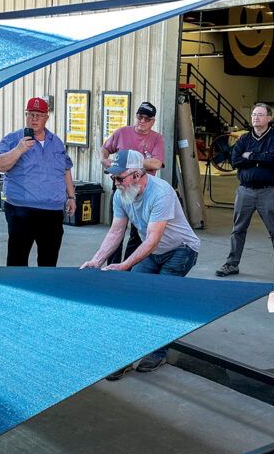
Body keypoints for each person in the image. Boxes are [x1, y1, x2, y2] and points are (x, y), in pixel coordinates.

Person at [81, 150, 201, 379]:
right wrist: (96, 261)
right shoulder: (121, 195)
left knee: (159, 299)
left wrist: (125, 265)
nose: (116, 183)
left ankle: (158, 353)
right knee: (132, 297)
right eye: (113, 178)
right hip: (153, 250)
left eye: (120, 178)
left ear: (138, 174)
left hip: (180, 249)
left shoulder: (161, 193)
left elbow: (153, 239)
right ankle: (124, 356)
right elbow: (116, 231)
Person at [0, 97, 77, 267]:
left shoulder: (56, 142)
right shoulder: (13, 139)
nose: (34, 119)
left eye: (39, 115)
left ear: (46, 117)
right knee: (17, 260)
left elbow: (66, 169)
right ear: (26, 115)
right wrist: (19, 149)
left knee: (49, 261)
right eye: (31, 114)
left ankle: (44, 292)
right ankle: (16, 292)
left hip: (52, 212)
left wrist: (72, 197)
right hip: (21, 210)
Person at [215, 103, 274, 284]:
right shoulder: (243, 139)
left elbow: (272, 158)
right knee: (238, 229)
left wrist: (249, 156)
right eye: (254, 115)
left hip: (268, 192)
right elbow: (234, 160)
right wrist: (258, 159)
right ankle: (232, 264)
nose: (256, 118)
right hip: (245, 191)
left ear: (269, 118)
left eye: (260, 115)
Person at [100, 101, 166, 264]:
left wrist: (127, 162)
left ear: (153, 121)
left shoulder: (157, 138)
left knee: (138, 233)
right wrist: (104, 159)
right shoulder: (122, 132)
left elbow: (157, 163)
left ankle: (128, 267)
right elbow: (105, 148)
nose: (142, 121)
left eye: (147, 118)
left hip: (142, 191)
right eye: (140, 117)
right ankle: (112, 266)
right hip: (121, 188)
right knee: (116, 230)